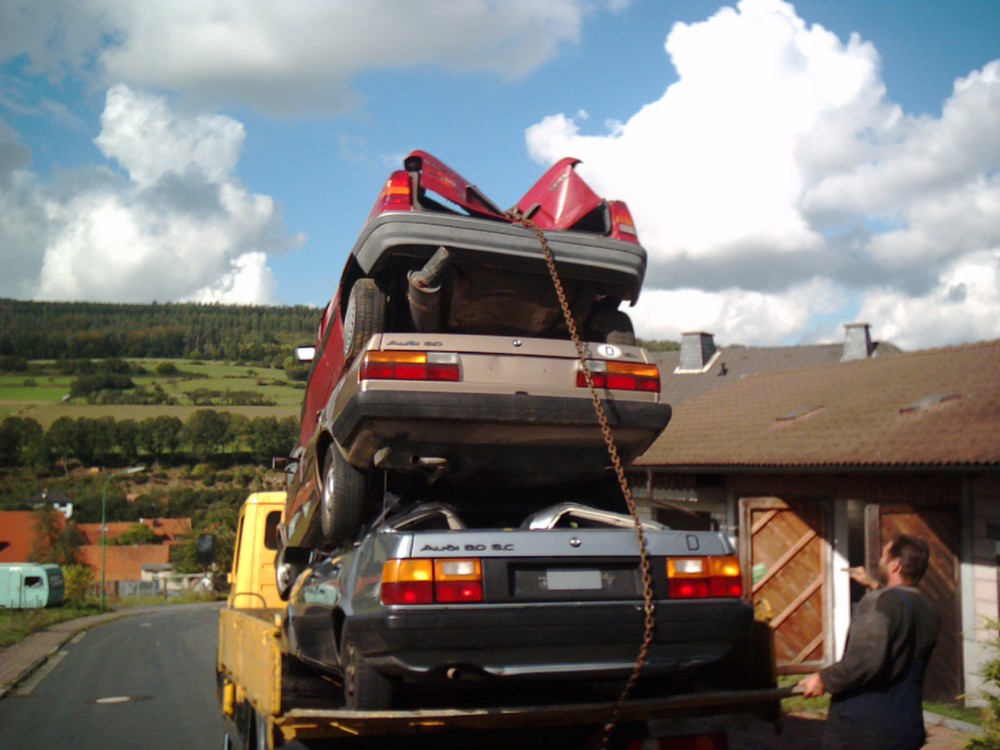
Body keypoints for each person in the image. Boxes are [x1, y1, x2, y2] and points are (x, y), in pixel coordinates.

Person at [798, 534, 940, 750]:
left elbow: (863, 662)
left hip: (864, 730)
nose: (880, 560)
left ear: (895, 565)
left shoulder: (877, 603)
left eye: (884, 556)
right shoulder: (928, 609)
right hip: (906, 725)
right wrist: (873, 584)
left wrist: (824, 679)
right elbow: (898, 615)